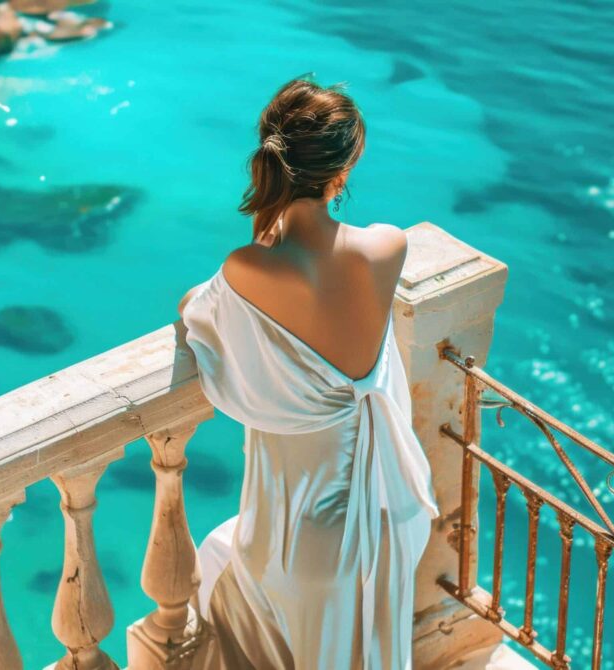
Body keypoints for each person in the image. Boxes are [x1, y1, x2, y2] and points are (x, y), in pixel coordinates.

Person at [177, 77, 439, 670]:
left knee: (222, 573)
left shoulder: (246, 269)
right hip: (388, 517)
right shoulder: (386, 248)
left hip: (300, 542)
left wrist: (262, 237)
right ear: (341, 172)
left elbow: (197, 314)